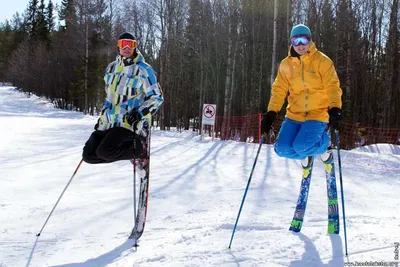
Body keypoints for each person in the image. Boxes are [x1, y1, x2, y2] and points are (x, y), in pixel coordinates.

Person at [261, 24, 342, 165]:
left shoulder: (322, 61)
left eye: (303, 40)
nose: (300, 45)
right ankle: (307, 154)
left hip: (317, 115)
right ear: (291, 42)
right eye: (295, 41)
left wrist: (335, 108)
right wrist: (271, 113)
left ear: (309, 40)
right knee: (281, 149)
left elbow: (332, 86)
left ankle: (325, 146)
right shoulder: (285, 64)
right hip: (294, 115)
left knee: (302, 146)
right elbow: (279, 89)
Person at [82, 32, 164, 164]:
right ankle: (126, 151)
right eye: (123, 44)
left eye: (130, 44)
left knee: (105, 151)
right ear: (118, 47)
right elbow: (109, 97)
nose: (126, 48)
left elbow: (157, 97)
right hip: (109, 122)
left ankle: (139, 149)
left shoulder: (144, 70)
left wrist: (139, 113)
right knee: (88, 155)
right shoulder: (111, 68)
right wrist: (102, 118)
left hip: (127, 123)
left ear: (135, 47)